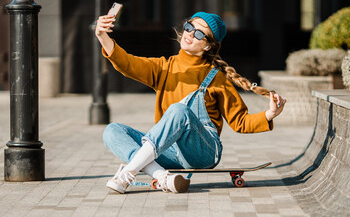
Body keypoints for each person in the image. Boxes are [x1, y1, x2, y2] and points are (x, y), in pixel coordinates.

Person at [95, 10, 286, 194]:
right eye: (189, 27)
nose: (190, 34)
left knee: (179, 110)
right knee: (112, 131)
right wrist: (103, 36)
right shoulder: (164, 67)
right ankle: (162, 177)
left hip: (203, 151)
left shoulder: (216, 78)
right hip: (168, 152)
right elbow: (127, 63)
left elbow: (240, 122)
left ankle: (127, 174)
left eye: (199, 33)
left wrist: (269, 115)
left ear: (208, 46)